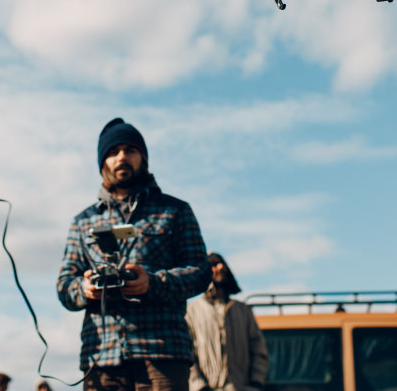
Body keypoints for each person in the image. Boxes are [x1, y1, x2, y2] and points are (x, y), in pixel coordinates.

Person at [57, 117, 211, 391]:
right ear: (103, 162)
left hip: (162, 352)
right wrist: (85, 287)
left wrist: (153, 283)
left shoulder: (175, 211)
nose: (122, 157)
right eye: (113, 152)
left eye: (130, 150)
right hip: (102, 355)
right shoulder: (83, 221)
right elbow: (64, 286)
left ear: (143, 157)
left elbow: (200, 272)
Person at [186, 253, 269, 391]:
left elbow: (258, 348)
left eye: (222, 263)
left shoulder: (242, 310)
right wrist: (199, 385)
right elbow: (187, 353)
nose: (221, 267)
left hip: (240, 388)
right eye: (214, 264)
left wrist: (256, 383)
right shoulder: (191, 312)